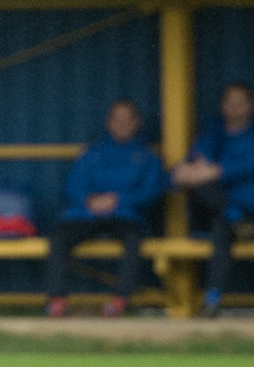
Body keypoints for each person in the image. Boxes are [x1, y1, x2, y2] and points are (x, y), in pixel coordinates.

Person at [44, 100, 166, 318]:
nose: (121, 124)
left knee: (134, 240)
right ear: (108, 123)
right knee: (58, 237)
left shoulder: (148, 157)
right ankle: (58, 300)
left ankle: (120, 300)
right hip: (86, 215)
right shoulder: (92, 153)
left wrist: (118, 200)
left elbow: (152, 191)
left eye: (127, 119)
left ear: (136, 123)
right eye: (116, 119)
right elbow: (73, 185)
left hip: (126, 216)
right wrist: (89, 199)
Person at [170, 82, 254, 318]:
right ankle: (232, 214)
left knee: (222, 225)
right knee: (200, 188)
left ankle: (212, 298)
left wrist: (214, 171)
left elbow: (250, 165)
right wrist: (182, 173)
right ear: (222, 105)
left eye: (241, 102)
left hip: (249, 216)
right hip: (214, 214)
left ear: (251, 105)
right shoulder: (212, 133)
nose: (235, 107)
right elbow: (190, 167)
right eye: (230, 101)